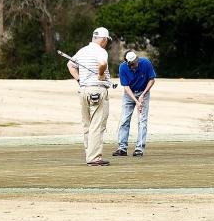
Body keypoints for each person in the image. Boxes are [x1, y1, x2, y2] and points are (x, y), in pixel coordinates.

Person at [67, 27, 114, 166]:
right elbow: (103, 64)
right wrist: (100, 74)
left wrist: (79, 80)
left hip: (83, 91)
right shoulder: (101, 51)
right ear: (104, 40)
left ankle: (90, 155)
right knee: (97, 124)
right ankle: (94, 158)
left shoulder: (82, 51)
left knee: (87, 124)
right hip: (97, 90)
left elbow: (70, 64)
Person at [113, 50, 157, 157]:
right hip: (129, 94)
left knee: (142, 120)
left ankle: (139, 148)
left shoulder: (146, 63)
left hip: (143, 91)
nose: (135, 65)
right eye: (132, 64)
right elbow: (126, 87)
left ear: (137, 59)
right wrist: (136, 101)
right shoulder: (123, 68)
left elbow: (152, 80)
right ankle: (122, 148)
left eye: (136, 62)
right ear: (127, 63)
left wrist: (142, 96)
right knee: (124, 119)